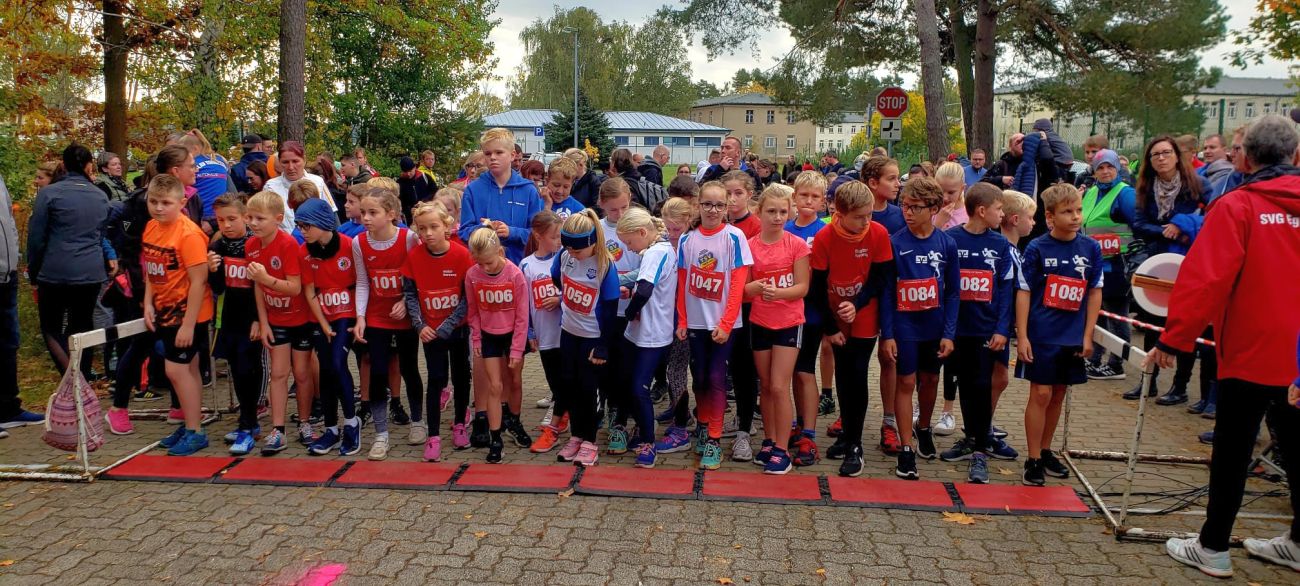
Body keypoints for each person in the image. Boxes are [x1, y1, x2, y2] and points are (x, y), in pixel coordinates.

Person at [1155, 115, 1300, 578]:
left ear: (1248, 157)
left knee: (1234, 451)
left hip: (1253, 351)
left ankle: (1213, 546)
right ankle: (1298, 542)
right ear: (1294, 155)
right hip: (1297, 360)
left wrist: (1174, 339)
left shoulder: (1238, 207)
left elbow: (1204, 280)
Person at [1015, 184, 1103, 486]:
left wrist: (1088, 334)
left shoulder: (1091, 249)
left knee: (1058, 394)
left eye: (1078, 210)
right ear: (1050, 217)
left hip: (1072, 337)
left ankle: (1046, 449)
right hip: (1042, 335)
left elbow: (1094, 292)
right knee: (1040, 393)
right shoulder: (1038, 248)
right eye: (1068, 212)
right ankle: (1032, 458)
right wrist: (1023, 336)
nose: (1076, 217)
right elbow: (1024, 292)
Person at [809, 181, 893, 476]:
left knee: (857, 375)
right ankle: (846, 434)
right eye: (859, 217)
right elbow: (816, 287)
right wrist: (831, 328)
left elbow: (881, 277)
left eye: (869, 215)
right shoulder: (824, 237)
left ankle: (856, 445)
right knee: (843, 376)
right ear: (839, 214)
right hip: (835, 316)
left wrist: (857, 303)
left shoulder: (878, 233)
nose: (866, 221)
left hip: (864, 315)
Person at [880, 177, 960, 480]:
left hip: (935, 326)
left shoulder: (946, 243)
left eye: (915, 207)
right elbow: (887, 291)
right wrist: (887, 334)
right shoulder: (895, 243)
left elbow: (953, 292)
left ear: (933, 208)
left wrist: (949, 333)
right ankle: (906, 447)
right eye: (905, 206)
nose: (908, 212)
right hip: (905, 326)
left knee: (929, 381)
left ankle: (924, 427)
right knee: (906, 382)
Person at [1125, 135, 1213, 406]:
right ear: (1149, 161)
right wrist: (1167, 231)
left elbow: (1212, 216)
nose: (1161, 158)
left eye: (1166, 153)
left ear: (1177, 155)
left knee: (1184, 322)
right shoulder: (1144, 188)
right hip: (1157, 261)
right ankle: (1148, 380)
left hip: (1190, 262)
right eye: (1155, 155)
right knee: (1153, 324)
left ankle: (1180, 386)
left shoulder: (1199, 185)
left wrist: (1183, 226)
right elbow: (1139, 224)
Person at [938, 183, 1016, 483]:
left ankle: (981, 451)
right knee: (965, 387)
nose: (1003, 214)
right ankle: (970, 438)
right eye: (999, 209)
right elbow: (945, 287)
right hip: (957, 331)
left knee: (982, 387)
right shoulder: (950, 240)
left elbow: (1006, 289)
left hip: (987, 330)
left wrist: (1002, 329)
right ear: (982, 211)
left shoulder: (1000, 245)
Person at [676, 182, 753, 470]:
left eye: (719, 205)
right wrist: (682, 319)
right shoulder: (688, 240)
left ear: (727, 208)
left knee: (717, 378)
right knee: (700, 379)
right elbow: (683, 283)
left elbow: (738, 285)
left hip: (724, 325)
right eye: (707, 204)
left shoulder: (734, 238)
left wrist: (726, 322)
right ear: (698, 205)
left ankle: (715, 440)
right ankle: (704, 425)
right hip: (696, 322)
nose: (713, 210)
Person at [27, 144, 114, 378]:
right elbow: (101, 233)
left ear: (63, 165)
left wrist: (33, 273)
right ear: (89, 166)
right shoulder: (100, 196)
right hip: (90, 272)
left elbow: (36, 239)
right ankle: (81, 377)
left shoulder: (49, 194)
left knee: (51, 328)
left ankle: (72, 379)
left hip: (54, 272)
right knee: (82, 328)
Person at [142, 174, 214, 456]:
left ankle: (195, 430)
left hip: (188, 313)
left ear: (182, 202)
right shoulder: (151, 227)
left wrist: (188, 324)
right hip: (164, 309)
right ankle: (191, 424)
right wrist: (147, 302)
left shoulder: (190, 234)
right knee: (189, 370)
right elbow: (152, 268)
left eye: (166, 203)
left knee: (176, 370)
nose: (159, 208)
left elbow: (199, 281)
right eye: (154, 201)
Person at [185, 196, 263, 449]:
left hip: (253, 317)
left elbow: (261, 287)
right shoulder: (217, 246)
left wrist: (258, 319)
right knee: (236, 371)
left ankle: (248, 423)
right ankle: (247, 422)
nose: (226, 225)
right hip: (228, 317)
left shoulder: (255, 244)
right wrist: (212, 269)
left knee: (248, 369)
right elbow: (218, 288)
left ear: (245, 217)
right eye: (221, 220)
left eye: (232, 219)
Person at [243, 191, 319, 453]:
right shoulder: (251, 245)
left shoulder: (288, 246)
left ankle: (305, 422)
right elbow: (256, 288)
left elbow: (295, 288)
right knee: (278, 373)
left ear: (277, 219)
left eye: (260, 218)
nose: (253, 223)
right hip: (275, 320)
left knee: (301, 373)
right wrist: (262, 322)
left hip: (300, 320)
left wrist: (266, 279)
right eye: (249, 217)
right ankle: (278, 429)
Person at [742, 184, 809, 474]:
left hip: (788, 323)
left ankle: (782, 449)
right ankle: (769, 439)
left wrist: (778, 294)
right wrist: (754, 288)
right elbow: (742, 290)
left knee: (780, 386)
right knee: (766, 386)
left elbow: (803, 287)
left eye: (783, 211)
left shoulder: (796, 245)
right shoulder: (750, 246)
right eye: (771, 211)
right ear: (760, 212)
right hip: (760, 322)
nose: (778, 217)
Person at [400, 200, 473, 460]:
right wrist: (420, 326)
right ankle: (433, 436)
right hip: (430, 333)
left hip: (457, 331)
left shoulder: (462, 255)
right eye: (422, 229)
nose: (428, 233)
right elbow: (410, 294)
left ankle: (461, 425)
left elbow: (467, 297)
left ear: (447, 226)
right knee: (436, 379)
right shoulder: (415, 256)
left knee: (462, 377)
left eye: (433, 227)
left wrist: (449, 325)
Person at [353, 187, 422, 460]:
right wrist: (360, 317)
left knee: (409, 368)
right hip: (377, 316)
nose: (366, 218)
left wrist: (406, 302)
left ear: (391, 214)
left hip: (405, 316)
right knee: (378, 371)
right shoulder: (359, 243)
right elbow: (362, 282)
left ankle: (418, 421)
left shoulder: (409, 238)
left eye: (373, 212)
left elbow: (418, 278)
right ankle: (381, 433)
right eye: (363, 212)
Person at [551, 209, 622, 467]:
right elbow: (556, 278)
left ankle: (590, 441)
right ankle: (576, 435)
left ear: (593, 242)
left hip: (593, 338)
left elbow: (611, 309)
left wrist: (604, 346)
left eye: (578, 250)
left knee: (588, 389)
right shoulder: (564, 255)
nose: (572, 254)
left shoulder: (605, 266)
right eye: (568, 248)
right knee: (569, 385)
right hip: (569, 332)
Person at [615, 207, 678, 468]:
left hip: (651, 334)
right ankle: (640, 430)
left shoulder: (654, 253)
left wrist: (630, 313)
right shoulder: (662, 248)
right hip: (643, 332)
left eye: (629, 242)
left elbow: (644, 290)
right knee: (627, 380)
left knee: (639, 387)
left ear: (642, 232)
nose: (628, 249)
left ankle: (649, 443)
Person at [1077, 149, 1136, 383]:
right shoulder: (1091, 193)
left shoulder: (1125, 194)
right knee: (1097, 312)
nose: (1106, 171)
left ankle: (1116, 363)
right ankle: (1094, 358)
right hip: (1095, 266)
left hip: (1117, 266)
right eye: (1101, 167)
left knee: (1118, 316)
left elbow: (1136, 227)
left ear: (1117, 168)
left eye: (1110, 167)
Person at [782, 171, 827, 467]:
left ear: (823, 202)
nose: (808, 201)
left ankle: (809, 432)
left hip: (811, 314)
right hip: (783, 313)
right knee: (786, 374)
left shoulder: (825, 232)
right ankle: (794, 423)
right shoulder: (783, 228)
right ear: (794, 197)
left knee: (805, 370)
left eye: (815, 197)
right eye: (803, 196)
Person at [596, 178, 642, 456]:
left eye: (624, 207)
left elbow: (646, 265)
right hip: (605, 312)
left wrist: (630, 286)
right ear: (602, 206)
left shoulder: (639, 224)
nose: (620, 214)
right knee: (605, 368)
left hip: (632, 310)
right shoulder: (597, 230)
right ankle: (610, 408)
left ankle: (622, 420)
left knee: (627, 369)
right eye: (613, 210)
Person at [458, 129, 544, 265]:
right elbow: (463, 232)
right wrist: (483, 229)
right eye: (488, 153)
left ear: (512, 155)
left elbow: (538, 234)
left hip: (519, 267)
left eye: (499, 152)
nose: (492, 157)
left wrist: (512, 232)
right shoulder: (473, 190)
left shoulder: (528, 190)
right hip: (483, 269)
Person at [521, 212, 568, 453]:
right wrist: (529, 332)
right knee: (554, 381)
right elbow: (524, 304)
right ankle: (562, 413)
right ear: (538, 236)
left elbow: (573, 291)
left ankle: (555, 425)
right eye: (555, 236)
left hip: (566, 333)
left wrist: (559, 299)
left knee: (564, 383)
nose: (559, 240)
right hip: (544, 335)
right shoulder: (527, 265)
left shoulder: (565, 259)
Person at [0, 173, 39, 432]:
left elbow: (8, 223)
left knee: (8, 342)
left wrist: (14, 256)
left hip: (6, 273)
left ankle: (7, 408)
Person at [264, 141, 337, 233]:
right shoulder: (270, 187)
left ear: (304, 160)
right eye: (285, 162)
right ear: (279, 162)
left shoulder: (318, 182)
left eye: (295, 161)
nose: (291, 167)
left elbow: (332, 215)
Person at [397, 156, 436, 223]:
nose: (408, 174)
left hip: (428, 213)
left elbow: (435, 192)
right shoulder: (399, 183)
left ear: (414, 167)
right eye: (406, 172)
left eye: (410, 171)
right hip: (411, 219)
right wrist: (409, 210)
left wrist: (424, 202)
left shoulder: (425, 177)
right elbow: (399, 202)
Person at [934, 161, 969, 230]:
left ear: (962, 189)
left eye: (951, 192)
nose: (945, 198)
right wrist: (938, 224)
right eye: (940, 191)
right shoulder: (930, 210)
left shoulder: (969, 214)